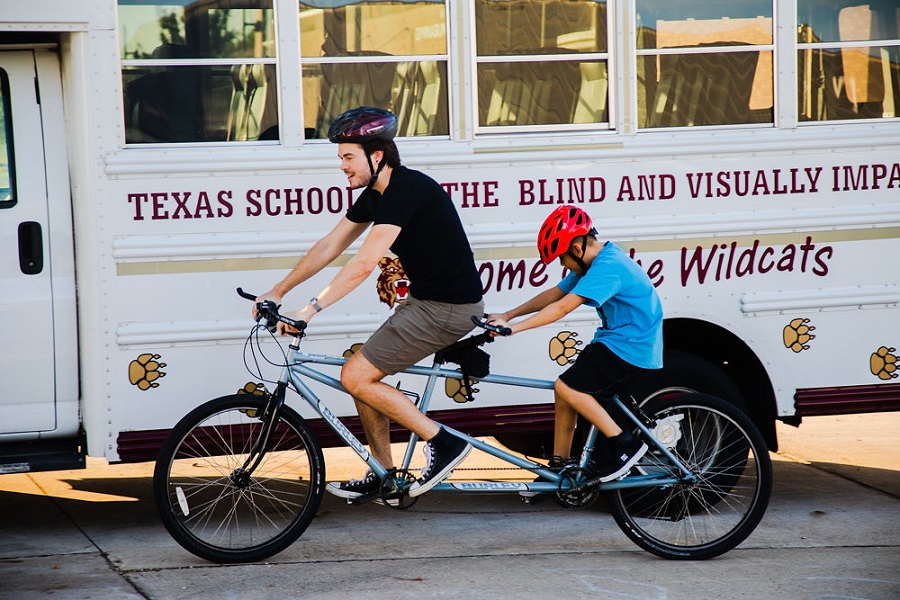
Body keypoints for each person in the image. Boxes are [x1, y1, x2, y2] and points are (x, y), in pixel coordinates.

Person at [254, 107, 483, 501]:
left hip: (449, 309)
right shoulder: (377, 195)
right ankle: (385, 472)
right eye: (340, 158)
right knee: (359, 373)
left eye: (348, 157)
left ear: (376, 157)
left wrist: (309, 310)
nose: (341, 166)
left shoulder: (406, 191)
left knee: (355, 376)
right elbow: (330, 245)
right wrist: (278, 290)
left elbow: (363, 263)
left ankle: (445, 442)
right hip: (426, 302)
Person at [486, 205, 663, 487]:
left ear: (577, 250)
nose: (562, 265)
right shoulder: (596, 261)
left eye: (561, 258)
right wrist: (508, 315)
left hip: (631, 346)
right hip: (615, 341)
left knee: (567, 387)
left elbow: (562, 308)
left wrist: (514, 329)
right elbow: (555, 294)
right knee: (565, 390)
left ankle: (625, 445)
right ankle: (561, 467)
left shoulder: (609, 267)